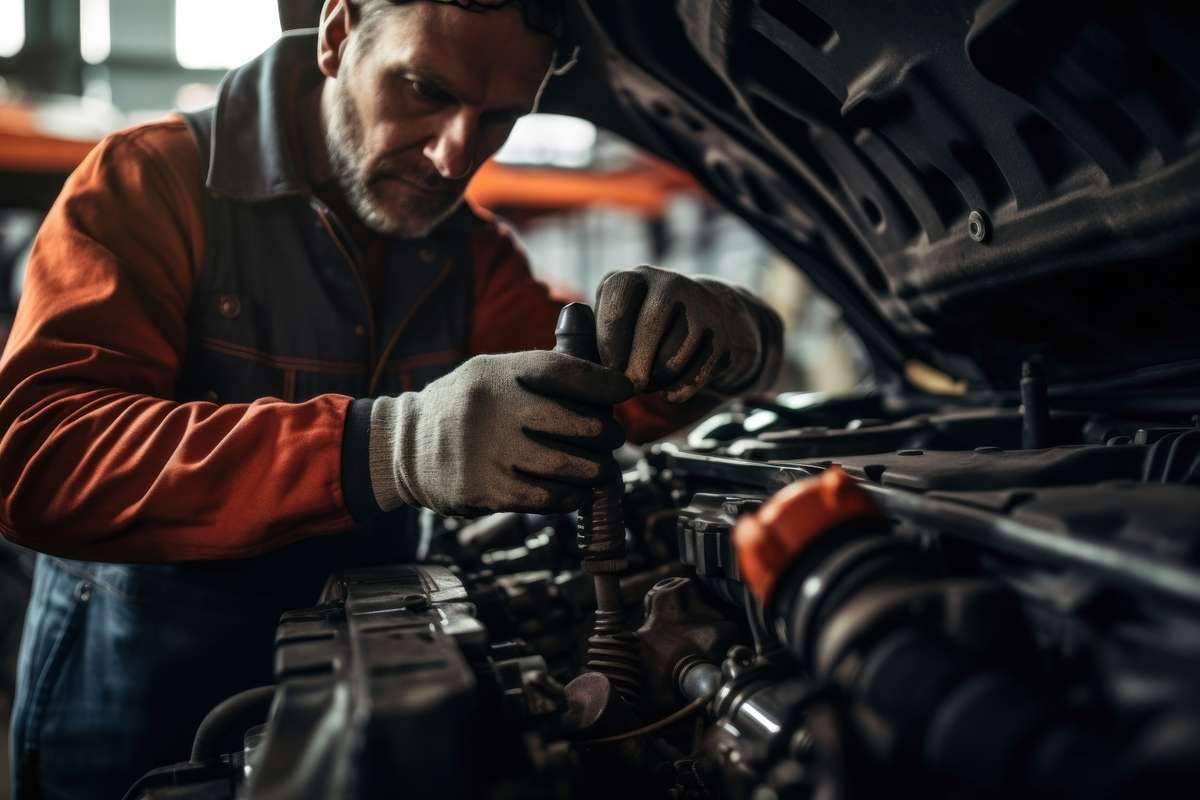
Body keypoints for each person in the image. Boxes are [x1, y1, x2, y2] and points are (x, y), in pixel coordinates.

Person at [0, 0, 783, 796]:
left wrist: (728, 338)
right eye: (425, 90)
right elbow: (37, 456)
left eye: (500, 119)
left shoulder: (469, 255)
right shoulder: (151, 181)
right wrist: (387, 447)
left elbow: (612, 397)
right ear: (338, 35)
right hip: (137, 712)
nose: (455, 156)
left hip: (373, 712)